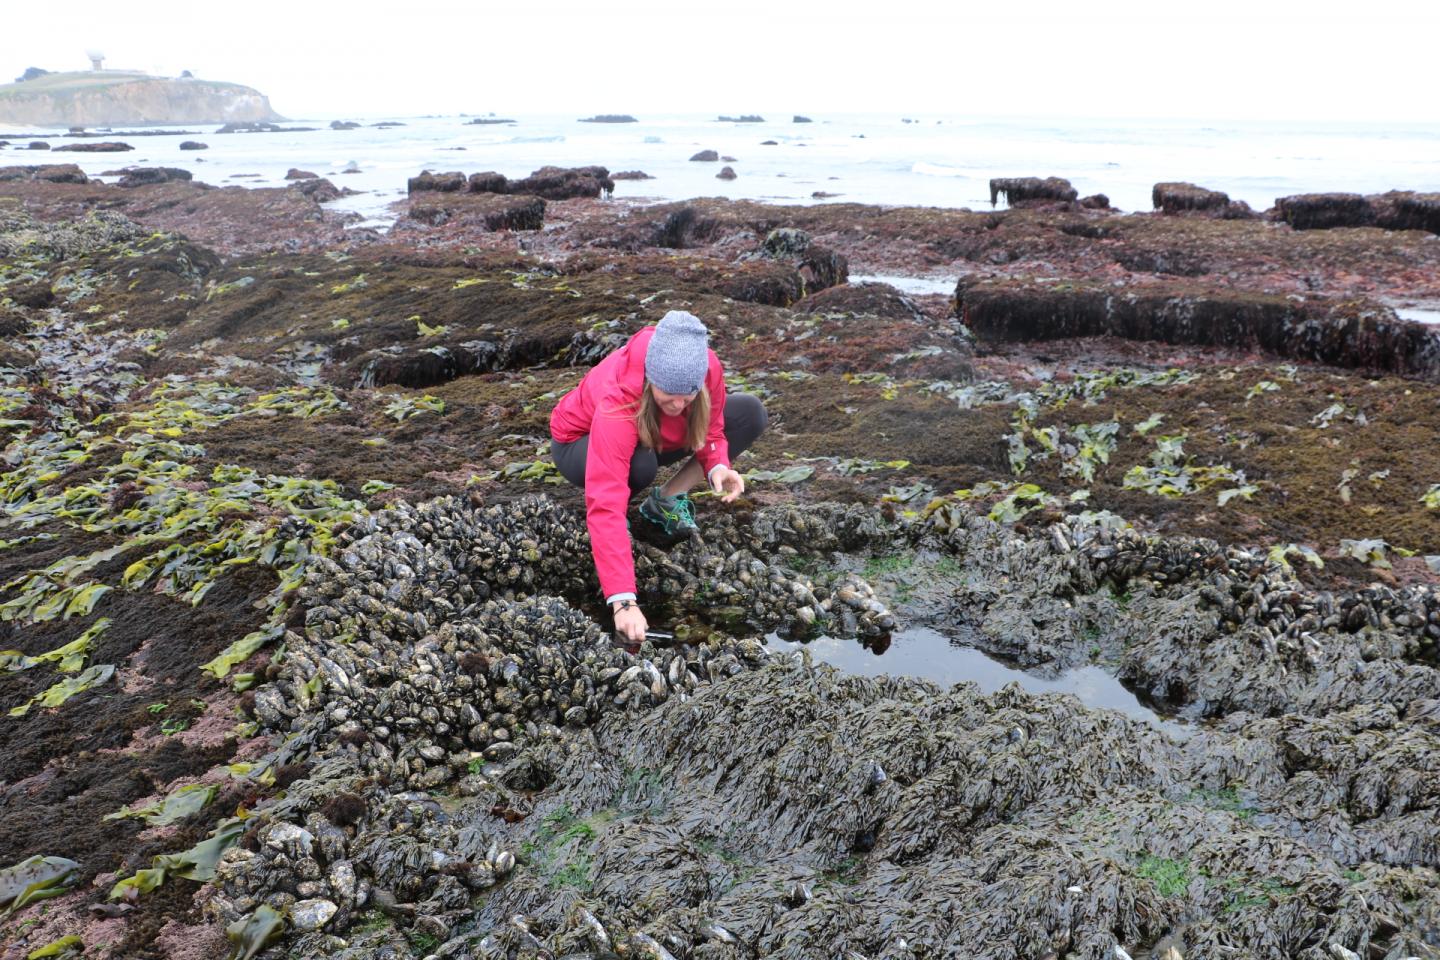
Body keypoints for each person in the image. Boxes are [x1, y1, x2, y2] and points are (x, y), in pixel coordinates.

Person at [550, 310, 768, 643]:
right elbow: (604, 502)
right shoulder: (619, 398)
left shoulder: (705, 370)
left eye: (688, 396)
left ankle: (663, 502)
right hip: (578, 443)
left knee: (749, 413)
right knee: (639, 466)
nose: (680, 405)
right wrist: (623, 602)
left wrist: (717, 466)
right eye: (670, 394)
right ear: (652, 380)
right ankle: (616, 541)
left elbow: (713, 430)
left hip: (651, 434)